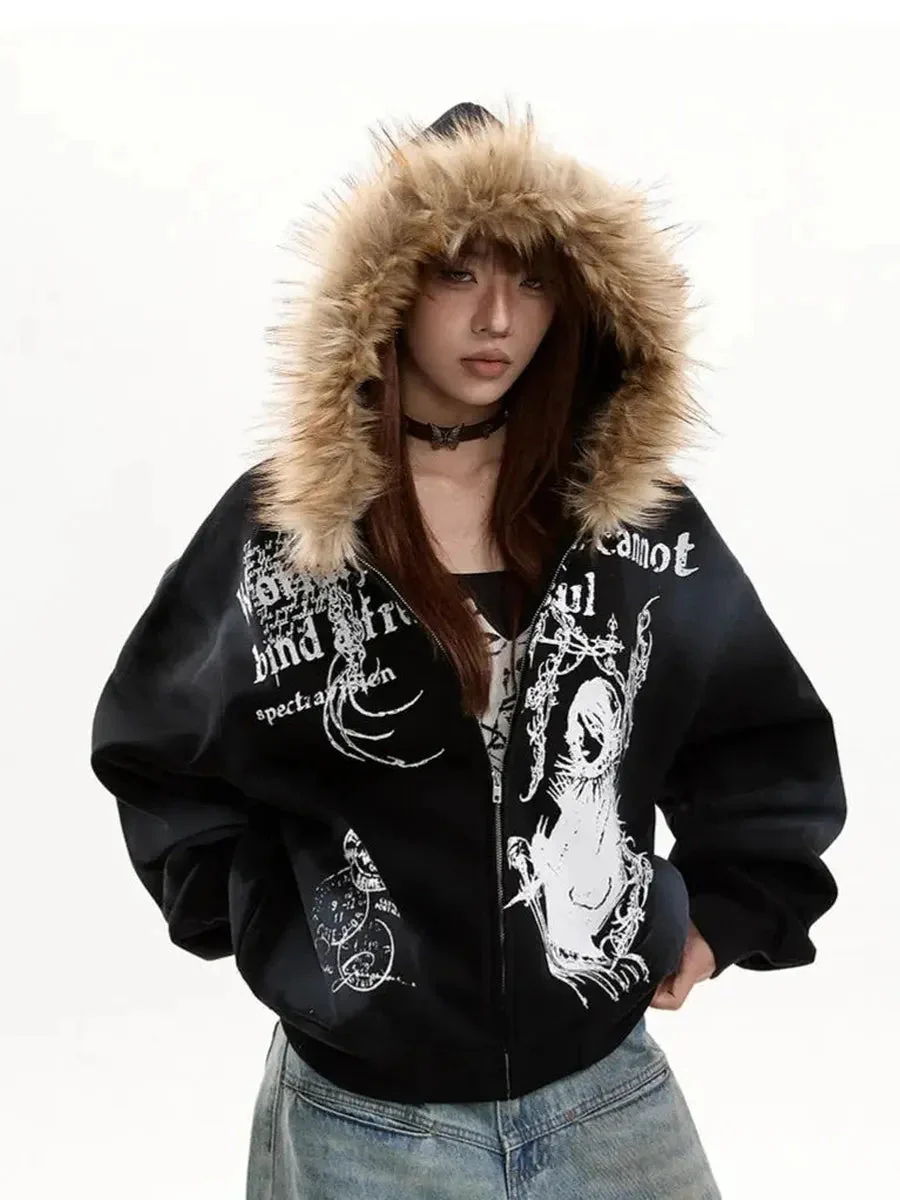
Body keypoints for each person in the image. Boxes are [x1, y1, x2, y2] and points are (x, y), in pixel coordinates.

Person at [89, 101, 847, 1199]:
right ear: (386, 290)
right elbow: (158, 752)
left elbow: (760, 735)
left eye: (532, 281)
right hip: (367, 1121)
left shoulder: (630, 521)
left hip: (606, 1095)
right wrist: (291, 939)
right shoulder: (287, 531)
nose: (497, 318)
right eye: (457, 274)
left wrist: (722, 918)